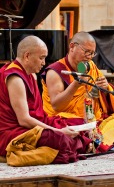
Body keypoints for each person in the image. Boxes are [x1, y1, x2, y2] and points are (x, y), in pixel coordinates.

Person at [0, 36, 91, 166]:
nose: (44, 63)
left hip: (34, 125)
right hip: (14, 132)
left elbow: (37, 113)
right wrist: (58, 131)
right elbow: (24, 120)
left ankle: (59, 147)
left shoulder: (31, 74)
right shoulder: (15, 79)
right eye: (41, 58)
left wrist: (57, 128)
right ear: (27, 56)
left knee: (77, 122)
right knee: (62, 139)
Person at [41, 32, 114, 124]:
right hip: (66, 120)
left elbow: (102, 96)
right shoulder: (55, 71)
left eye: (92, 53)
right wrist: (76, 84)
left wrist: (105, 88)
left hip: (92, 117)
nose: (89, 57)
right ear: (72, 46)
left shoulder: (90, 65)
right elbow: (56, 106)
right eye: (86, 52)